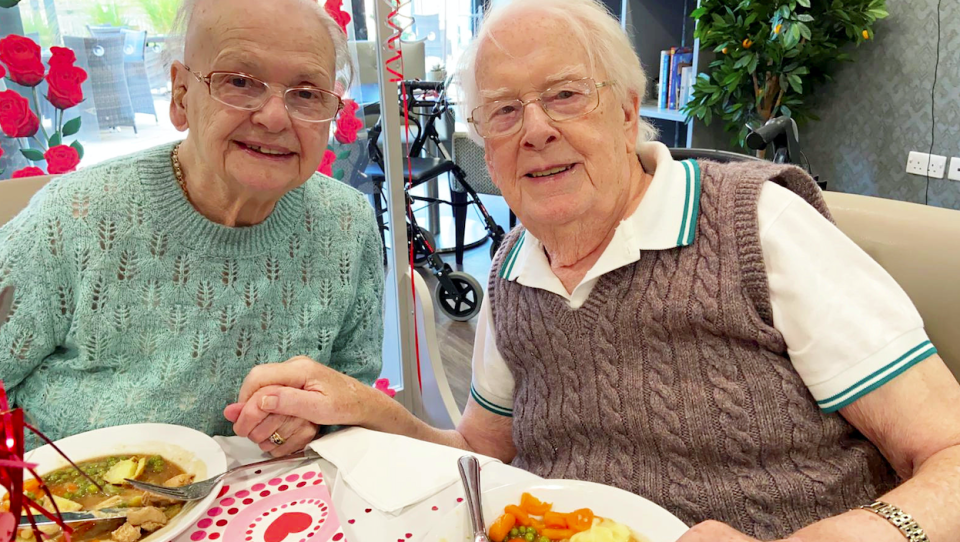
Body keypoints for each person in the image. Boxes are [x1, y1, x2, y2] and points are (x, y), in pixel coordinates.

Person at [227, 0, 960, 540]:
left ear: (629, 110)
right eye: (504, 112)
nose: (536, 129)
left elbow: (948, 451)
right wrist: (360, 405)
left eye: (565, 95)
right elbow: (485, 452)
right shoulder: (513, 272)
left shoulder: (757, 226)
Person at [0, 0, 384, 456]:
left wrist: (313, 426)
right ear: (181, 96)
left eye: (306, 93)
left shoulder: (347, 223)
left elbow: (352, 391)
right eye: (240, 82)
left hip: (275, 503)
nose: (275, 117)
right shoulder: (73, 217)